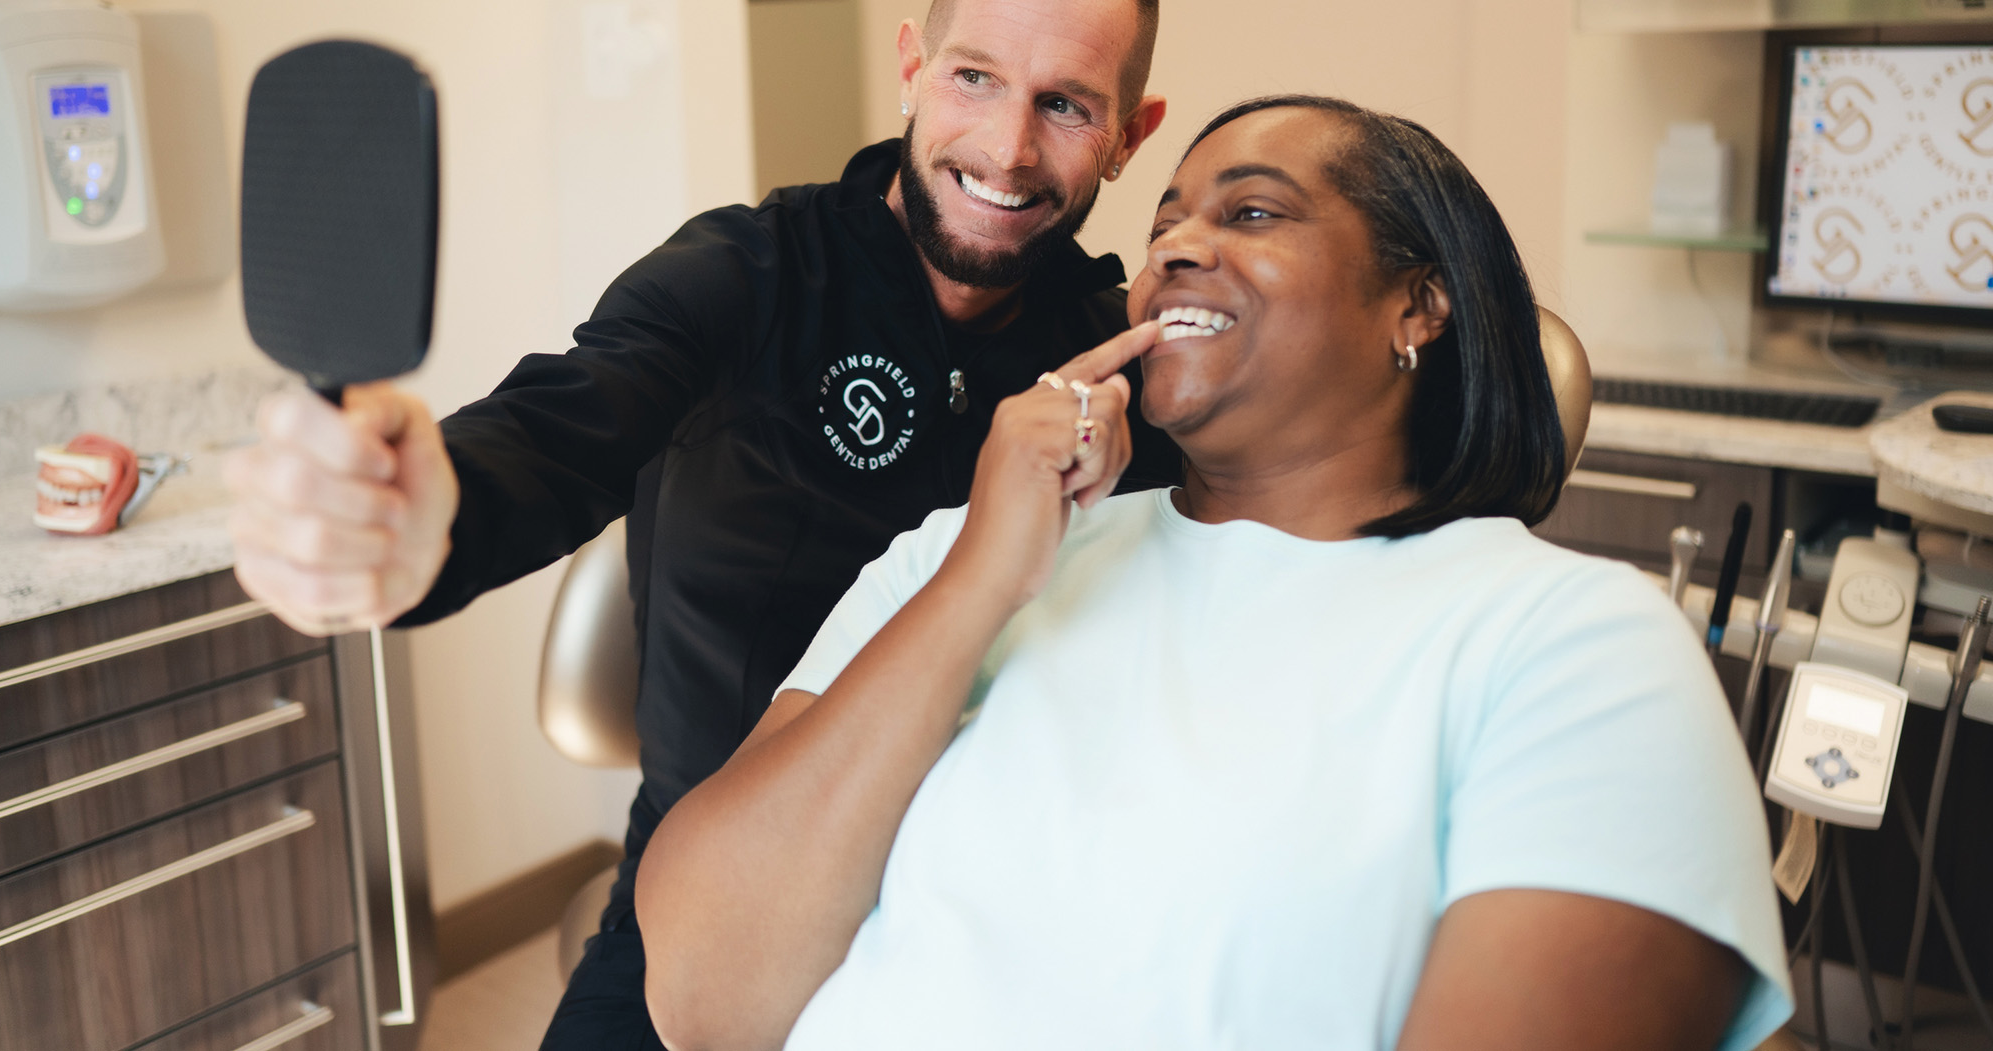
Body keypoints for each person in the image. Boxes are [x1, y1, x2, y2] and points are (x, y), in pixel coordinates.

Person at [634, 95, 1795, 1051]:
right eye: (1163, 224)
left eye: (1251, 212)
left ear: (1416, 303)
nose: (1173, 248)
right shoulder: (954, 560)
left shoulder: (1571, 644)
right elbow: (705, 994)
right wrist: (979, 580)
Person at [221, 0, 1180, 1048]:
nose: (1008, 147)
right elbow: (561, 425)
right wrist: (427, 515)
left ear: (1129, 133)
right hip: (716, 877)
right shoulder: (746, 272)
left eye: (1064, 105)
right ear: (914, 68)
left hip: (980, 900)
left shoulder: (1115, 356)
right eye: (974, 77)